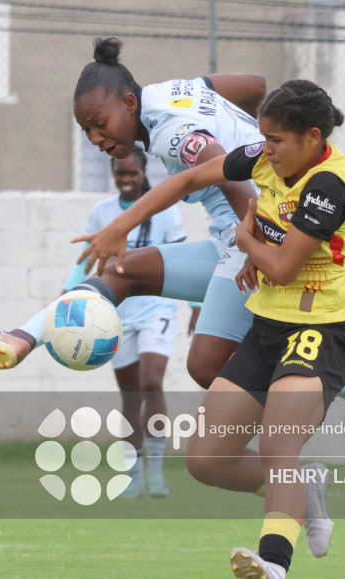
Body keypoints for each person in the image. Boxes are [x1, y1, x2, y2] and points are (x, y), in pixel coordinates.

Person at [0, 37, 345, 456]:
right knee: (119, 274)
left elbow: (227, 177)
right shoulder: (174, 91)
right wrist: (250, 128)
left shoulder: (170, 131)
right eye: (85, 130)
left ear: (129, 103)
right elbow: (256, 85)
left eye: (100, 124)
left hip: (251, 244)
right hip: (231, 242)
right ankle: (23, 337)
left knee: (206, 365)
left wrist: (253, 242)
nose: (95, 138)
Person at [79, 79, 345, 578]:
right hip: (268, 327)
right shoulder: (266, 157)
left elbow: (282, 268)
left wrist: (247, 242)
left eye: (275, 139)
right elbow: (190, 179)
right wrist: (122, 224)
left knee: (278, 444)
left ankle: (273, 565)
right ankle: (306, 486)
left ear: (312, 138)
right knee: (207, 460)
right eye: (263, 136)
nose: (264, 148)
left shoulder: (327, 185)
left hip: (320, 330)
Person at [62, 146, 199, 498]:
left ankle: (156, 472)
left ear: (143, 173)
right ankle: (134, 475)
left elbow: (182, 258)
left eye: (132, 173)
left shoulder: (163, 208)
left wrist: (196, 304)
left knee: (151, 382)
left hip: (157, 309)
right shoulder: (103, 212)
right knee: (131, 395)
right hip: (116, 314)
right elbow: (88, 257)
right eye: (120, 173)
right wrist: (67, 293)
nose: (126, 179)